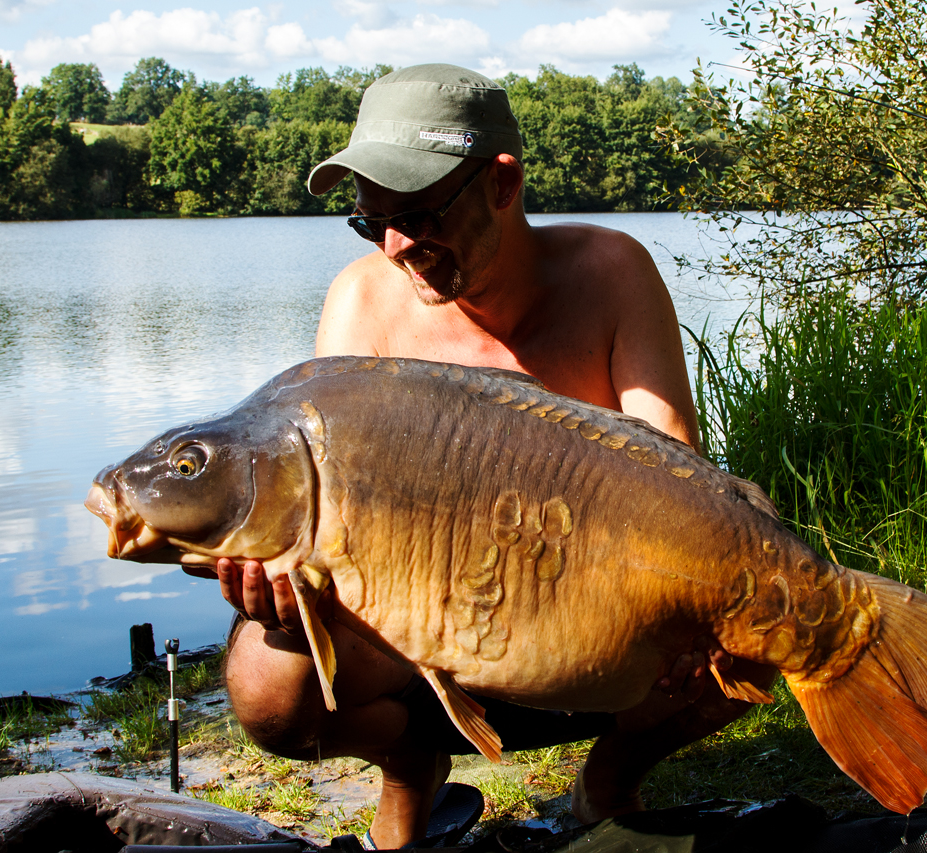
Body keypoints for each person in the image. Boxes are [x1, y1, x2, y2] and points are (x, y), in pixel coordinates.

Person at [216, 64, 776, 850]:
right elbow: (334, 515)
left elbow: (676, 468)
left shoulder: (612, 273)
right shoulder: (362, 299)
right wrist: (287, 585)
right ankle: (412, 768)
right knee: (266, 681)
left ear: (502, 184)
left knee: (760, 623)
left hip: (591, 634)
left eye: (417, 215)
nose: (397, 247)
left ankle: (609, 780)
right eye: (371, 223)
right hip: (421, 636)